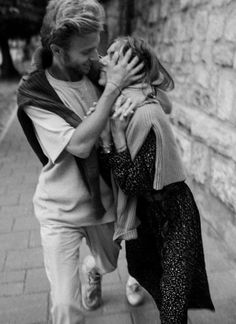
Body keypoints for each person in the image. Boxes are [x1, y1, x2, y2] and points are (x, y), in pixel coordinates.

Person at [16, 1, 146, 323]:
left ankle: (94, 270)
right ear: (58, 50)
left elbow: (153, 99)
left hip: (104, 204)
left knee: (108, 264)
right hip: (59, 211)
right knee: (65, 307)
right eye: (86, 51)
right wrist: (114, 88)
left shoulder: (97, 72)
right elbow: (79, 144)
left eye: (97, 46)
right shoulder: (36, 93)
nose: (96, 56)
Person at [98, 36, 215, 324]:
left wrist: (114, 140)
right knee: (149, 277)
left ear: (132, 68)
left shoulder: (145, 114)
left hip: (174, 216)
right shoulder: (120, 106)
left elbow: (133, 183)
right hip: (144, 219)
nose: (102, 58)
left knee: (174, 303)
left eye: (111, 55)